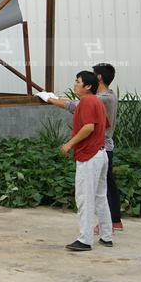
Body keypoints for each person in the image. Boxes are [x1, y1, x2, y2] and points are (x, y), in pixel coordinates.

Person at [38, 63, 122, 233]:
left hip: (96, 148)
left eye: (78, 81)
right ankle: (112, 224)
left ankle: (92, 233)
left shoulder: (100, 99)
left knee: (91, 194)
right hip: (103, 147)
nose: (75, 84)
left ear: (96, 79)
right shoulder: (107, 96)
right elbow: (78, 103)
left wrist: (51, 99)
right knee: (105, 188)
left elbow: (86, 121)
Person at [53, 71, 113, 251]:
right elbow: (102, 126)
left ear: (88, 86)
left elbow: (88, 127)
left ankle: (85, 240)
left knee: (85, 198)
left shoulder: (87, 101)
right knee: (100, 196)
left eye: (78, 82)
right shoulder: (97, 102)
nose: (75, 85)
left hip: (90, 155)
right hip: (101, 154)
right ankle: (106, 236)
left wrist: (69, 143)